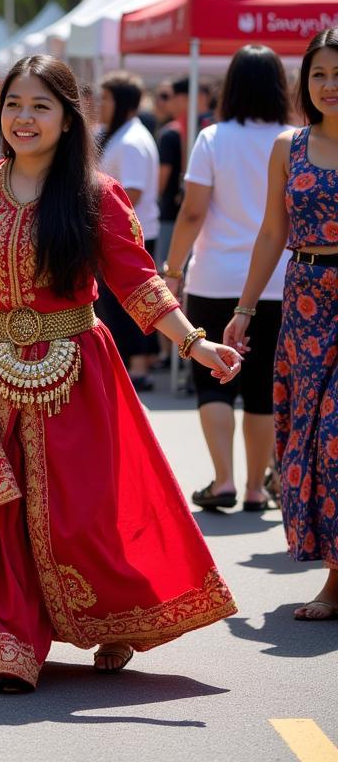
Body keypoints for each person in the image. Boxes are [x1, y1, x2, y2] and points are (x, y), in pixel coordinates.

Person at [0, 54, 240, 691]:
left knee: (81, 515)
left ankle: (115, 616)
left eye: (40, 106)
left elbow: (136, 279)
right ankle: (9, 644)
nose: (23, 118)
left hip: (78, 371)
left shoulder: (94, 193)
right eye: (14, 105)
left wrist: (194, 343)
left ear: (67, 118)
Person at [225, 28, 338, 621]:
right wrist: (244, 309)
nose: (329, 85)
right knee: (307, 439)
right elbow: (272, 232)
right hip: (306, 302)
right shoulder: (288, 147)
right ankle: (334, 577)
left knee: (337, 435)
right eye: (320, 74)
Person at [161, 45, 291, 511]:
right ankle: (257, 487)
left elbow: (192, 212)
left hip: (215, 277)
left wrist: (172, 272)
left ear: (230, 87)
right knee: (261, 387)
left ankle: (223, 481)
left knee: (212, 380)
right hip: (278, 280)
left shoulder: (213, 138)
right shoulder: (297, 140)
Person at [95, 72, 161, 390]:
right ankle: (131, 361)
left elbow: (130, 192)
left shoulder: (131, 140)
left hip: (133, 234)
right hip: (118, 233)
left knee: (129, 299)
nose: (100, 105)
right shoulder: (120, 134)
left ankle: (137, 365)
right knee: (116, 302)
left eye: (106, 98)